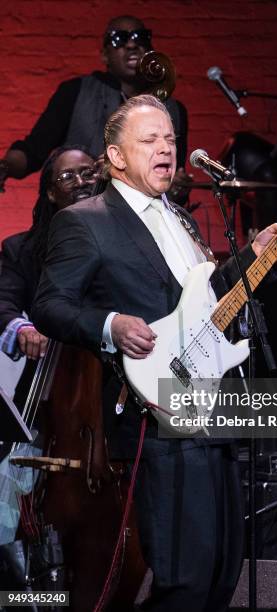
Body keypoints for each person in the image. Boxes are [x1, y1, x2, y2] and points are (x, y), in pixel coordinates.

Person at [31, 94, 277, 611]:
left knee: (223, 573)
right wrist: (110, 324)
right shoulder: (86, 221)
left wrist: (253, 254)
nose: (166, 150)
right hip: (155, 417)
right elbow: (49, 304)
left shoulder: (181, 218)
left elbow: (202, 300)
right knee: (186, 579)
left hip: (211, 408)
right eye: (150, 140)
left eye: (171, 140)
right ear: (115, 157)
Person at [0, 145, 97, 548]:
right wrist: (22, 328)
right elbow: (3, 302)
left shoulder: (122, 243)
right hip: (45, 393)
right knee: (11, 506)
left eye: (88, 173)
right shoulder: (21, 249)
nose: (81, 183)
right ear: (51, 194)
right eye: (68, 177)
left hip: (109, 389)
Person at [0, 15, 188, 198]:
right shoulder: (75, 91)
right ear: (105, 55)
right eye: (118, 39)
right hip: (82, 210)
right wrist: (5, 167)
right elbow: (34, 150)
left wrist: (176, 188)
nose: (131, 44)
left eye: (140, 37)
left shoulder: (172, 109)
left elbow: (171, 179)